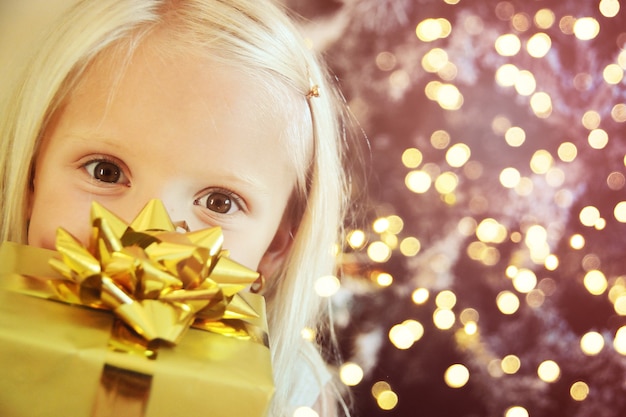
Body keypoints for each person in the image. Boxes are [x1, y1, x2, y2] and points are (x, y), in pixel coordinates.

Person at [0, 0, 357, 415]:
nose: (143, 242)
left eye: (218, 202)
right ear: (31, 178)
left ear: (275, 246)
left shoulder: (294, 393)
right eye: (105, 172)